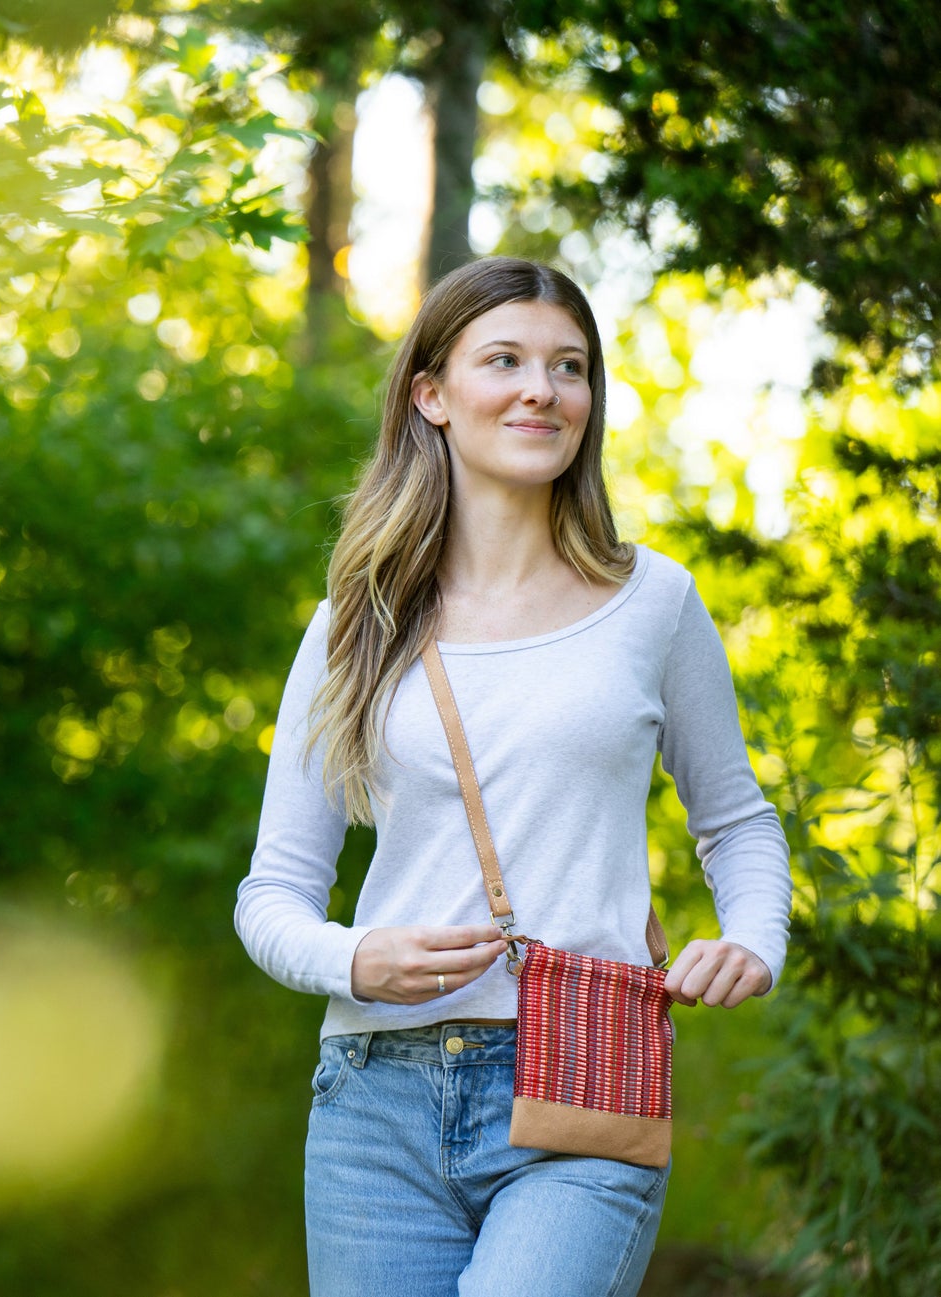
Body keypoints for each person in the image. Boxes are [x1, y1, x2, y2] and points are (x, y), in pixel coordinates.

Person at [234, 256, 792, 1297]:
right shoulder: (355, 624)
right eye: (505, 360)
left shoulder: (651, 602)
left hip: (581, 1074)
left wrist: (752, 940)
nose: (541, 388)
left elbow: (736, 821)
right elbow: (271, 892)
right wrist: (355, 960)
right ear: (430, 395)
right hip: (372, 1099)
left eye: (567, 366)